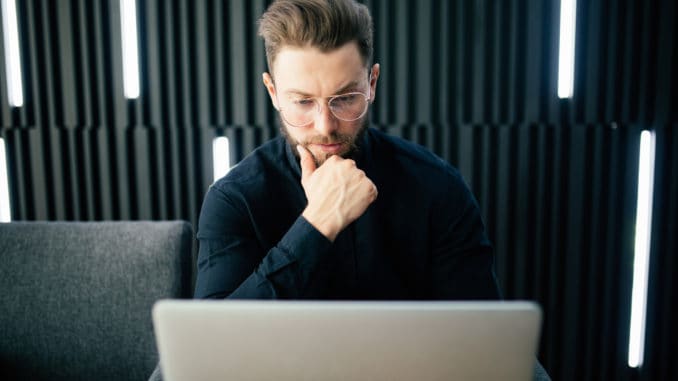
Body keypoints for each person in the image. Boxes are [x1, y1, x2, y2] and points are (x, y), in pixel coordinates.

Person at [150, 0, 550, 379]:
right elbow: (214, 351)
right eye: (303, 102)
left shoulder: (438, 188)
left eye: (345, 98)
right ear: (273, 93)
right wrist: (316, 225)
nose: (325, 125)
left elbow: (481, 346)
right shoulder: (233, 198)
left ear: (372, 83)